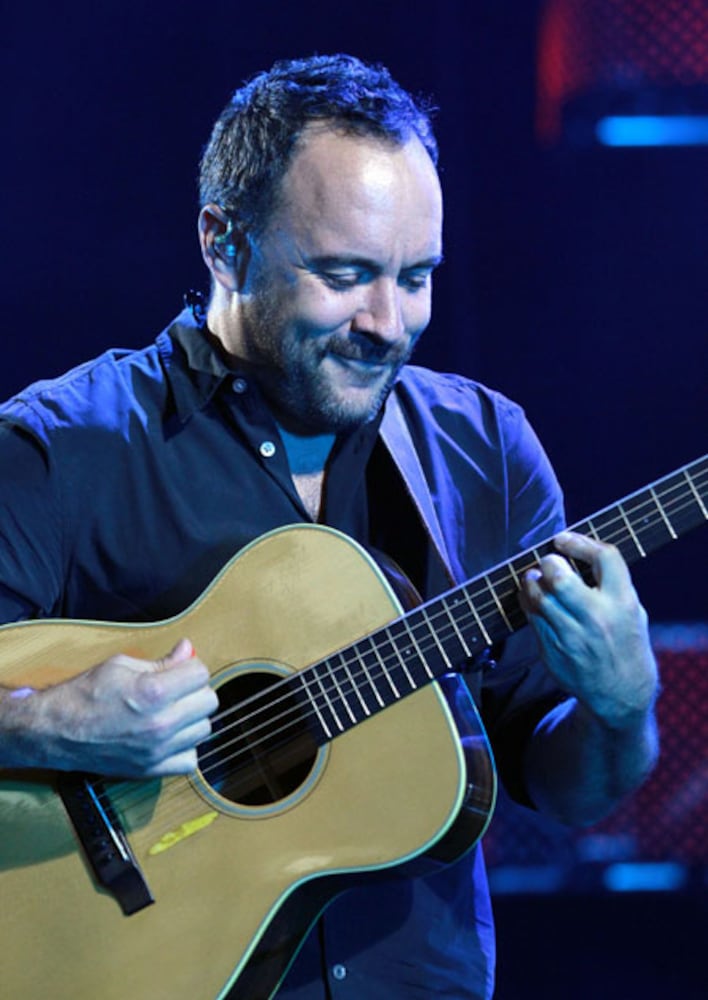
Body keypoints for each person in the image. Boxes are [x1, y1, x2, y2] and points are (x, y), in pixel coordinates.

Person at [0, 54, 658, 998]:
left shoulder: (484, 450)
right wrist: (52, 723)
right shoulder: (66, 447)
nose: (389, 322)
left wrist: (620, 706)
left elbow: (567, 787)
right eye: (346, 275)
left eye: (416, 277)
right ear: (225, 244)